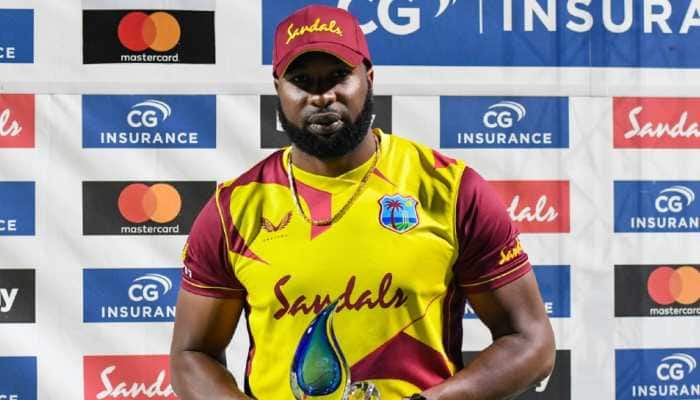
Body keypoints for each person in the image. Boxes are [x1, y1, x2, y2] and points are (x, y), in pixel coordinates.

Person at [170, 4, 555, 400]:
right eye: (301, 80)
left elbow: (531, 340)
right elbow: (191, 353)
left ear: (368, 79)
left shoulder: (449, 189)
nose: (321, 96)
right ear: (278, 90)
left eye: (339, 76)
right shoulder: (233, 207)